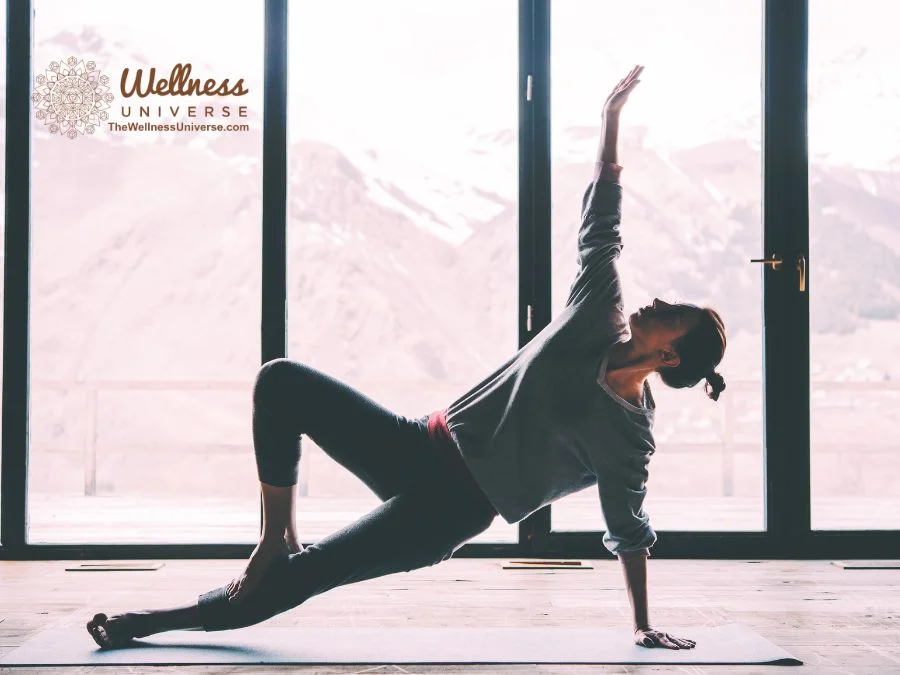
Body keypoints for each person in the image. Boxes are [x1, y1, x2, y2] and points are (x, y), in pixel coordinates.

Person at [86, 65, 724, 652]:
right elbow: (602, 225)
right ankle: (275, 534)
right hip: (420, 442)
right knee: (279, 383)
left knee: (306, 579)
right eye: (668, 302)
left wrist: (642, 624)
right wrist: (611, 122)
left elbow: (628, 527)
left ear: (669, 358)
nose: (657, 303)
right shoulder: (598, 312)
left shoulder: (628, 436)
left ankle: (149, 624)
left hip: (452, 509)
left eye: (671, 316)